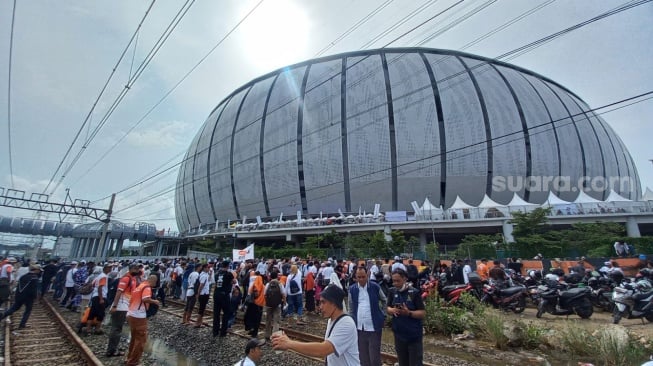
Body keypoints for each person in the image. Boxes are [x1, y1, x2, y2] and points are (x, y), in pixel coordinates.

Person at [272, 285, 360, 365]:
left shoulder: (346, 323)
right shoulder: (332, 320)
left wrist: (289, 343)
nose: (320, 306)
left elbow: (323, 350)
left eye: (323, 302)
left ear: (334, 303)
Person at [387, 268, 425, 366]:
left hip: (413, 336)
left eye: (397, 281)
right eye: (393, 281)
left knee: (415, 363)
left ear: (405, 279)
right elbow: (387, 307)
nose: (395, 283)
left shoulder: (414, 293)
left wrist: (409, 313)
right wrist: (391, 310)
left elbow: (422, 313)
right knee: (402, 362)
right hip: (399, 335)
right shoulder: (392, 291)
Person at [349, 266, 386, 366]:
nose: (361, 279)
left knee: (374, 357)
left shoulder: (375, 287)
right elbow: (351, 308)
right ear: (355, 277)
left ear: (368, 275)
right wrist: (352, 321)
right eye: (358, 277)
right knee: (363, 356)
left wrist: (383, 314)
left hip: (374, 327)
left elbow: (384, 300)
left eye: (363, 277)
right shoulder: (352, 289)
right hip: (359, 327)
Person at [106, 263, 140, 358]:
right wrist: (114, 306)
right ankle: (111, 350)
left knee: (118, 328)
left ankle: (113, 348)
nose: (137, 270)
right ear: (130, 269)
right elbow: (119, 292)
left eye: (137, 269)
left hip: (125, 306)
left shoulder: (133, 279)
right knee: (116, 328)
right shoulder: (126, 278)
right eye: (135, 268)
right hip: (120, 306)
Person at [126, 275, 159, 366]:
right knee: (140, 340)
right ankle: (133, 362)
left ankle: (129, 358)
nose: (155, 284)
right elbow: (145, 299)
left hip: (131, 314)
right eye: (155, 282)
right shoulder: (147, 287)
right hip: (139, 316)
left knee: (134, 338)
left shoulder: (139, 286)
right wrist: (155, 301)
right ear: (153, 280)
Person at [0, 264, 41, 328]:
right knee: (28, 310)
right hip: (28, 297)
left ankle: (2, 316)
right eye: (39, 270)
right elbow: (34, 289)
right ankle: (22, 324)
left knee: (14, 308)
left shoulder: (23, 276)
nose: (39, 271)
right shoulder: (34, 278)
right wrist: (35, 297)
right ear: (36, 270)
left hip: (19, 295)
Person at [83, 264, 111, 335]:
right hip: (100, 296)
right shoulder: (104, 276)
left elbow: (91, 284)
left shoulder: (99, 276)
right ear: (105, 269)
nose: (110, 269)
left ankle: (88, 329)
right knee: (101, 313)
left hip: (94, 296)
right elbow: (100, 287)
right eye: (109, 268)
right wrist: (101, 299)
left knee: (92, 312)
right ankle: (97, 329)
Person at [213, 260, 235, 337]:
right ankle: (223, 332)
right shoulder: (229, 274)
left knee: (216, 313)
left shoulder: (216, 273)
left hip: (217, 294)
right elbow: (234, 281)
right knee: (226, 314)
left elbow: (215, 283)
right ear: (228, 266)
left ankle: (215, 331)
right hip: (225, 295)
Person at [264, 271, 286, 340]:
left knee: (268, 320)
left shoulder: (268, 284)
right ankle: (274, 336)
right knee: (276, 320)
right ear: (277, 276)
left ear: (270, 277)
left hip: (269, 305)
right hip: (277, 305)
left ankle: (267, 335)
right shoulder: (280, 284)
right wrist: (284, 302)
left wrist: (267, 302)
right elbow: (283, 294)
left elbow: (264, 294)